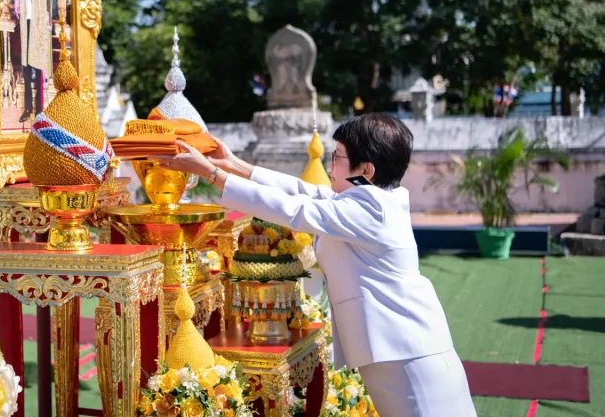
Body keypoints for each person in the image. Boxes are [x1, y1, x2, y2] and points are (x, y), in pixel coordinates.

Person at [152, 113, 477, 417]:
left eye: (337, 156)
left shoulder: (371, 209)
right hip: (402, 349)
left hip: (409, 355)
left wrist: (211, 173)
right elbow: (304, 193)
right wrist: (234, 165)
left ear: (366, 170)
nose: (330, 165)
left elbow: (296, 210)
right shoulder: (368, 198)